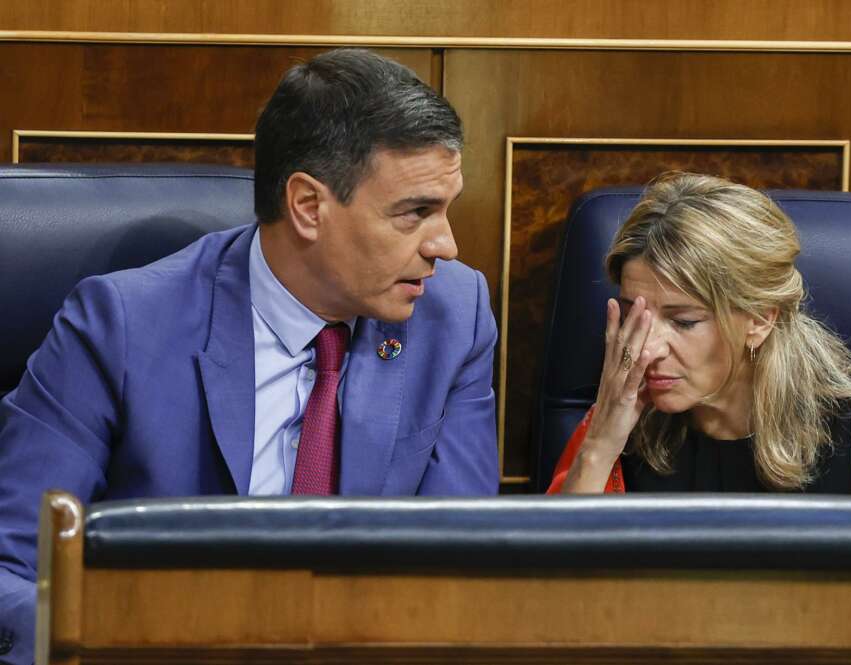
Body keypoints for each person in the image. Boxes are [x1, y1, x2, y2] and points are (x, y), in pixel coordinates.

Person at [0, 48, 499, 664]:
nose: (445, 245)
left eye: (446, 209)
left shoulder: (454, 316)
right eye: (415, 213)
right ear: (308, 206)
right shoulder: (120, 328)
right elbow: (11, 568)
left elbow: (465, 569)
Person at [548, 172, 851, 497]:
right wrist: (600, 447)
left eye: (684, 321)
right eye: (637, 317)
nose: (647, 350)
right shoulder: (618, 413)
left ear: (760, 319)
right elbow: (549, 591)